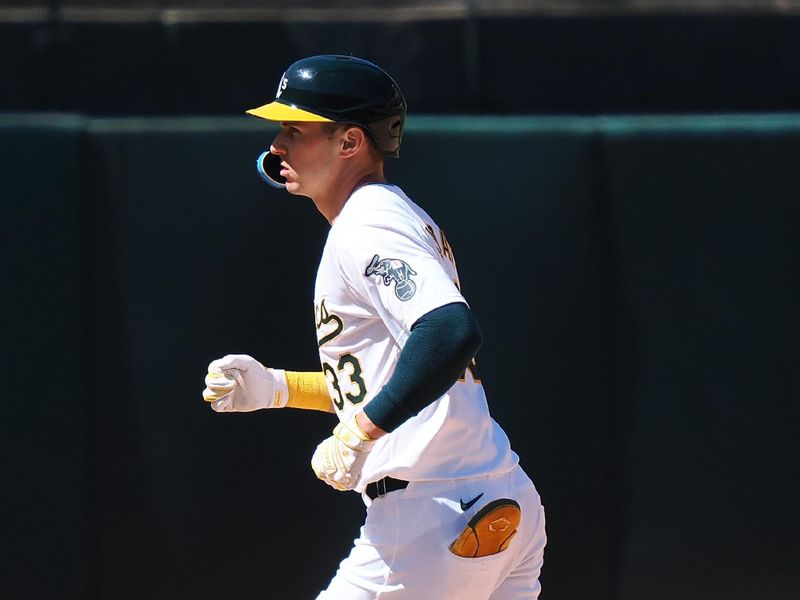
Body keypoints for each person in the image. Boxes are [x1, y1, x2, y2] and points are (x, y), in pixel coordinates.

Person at [202, 55, 546, 599]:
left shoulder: (369, 222)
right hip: (489, 498)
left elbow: (450, 333)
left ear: (350, 143)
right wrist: (279, 387)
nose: (278, 145)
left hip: (432, 517)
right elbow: (404, 372)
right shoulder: (384, 216)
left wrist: (361, 433)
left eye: (296, 129)